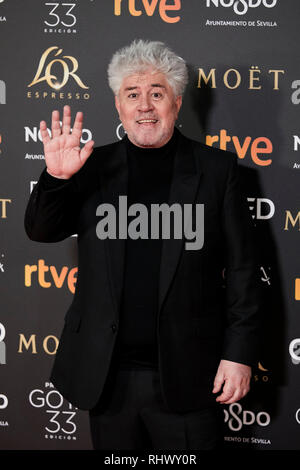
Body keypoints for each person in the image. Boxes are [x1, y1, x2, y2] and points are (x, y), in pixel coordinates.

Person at [24, 39, 261, 450]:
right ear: (118, 105)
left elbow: (243, 269)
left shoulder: (217, 170)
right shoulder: (90, 165)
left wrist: (238, 354)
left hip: (189, 372)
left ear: (177, 101)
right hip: (107, 375)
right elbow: (42, 231)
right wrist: (57, 179)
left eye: (157, 93)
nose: (145, 105)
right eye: (133, 94)